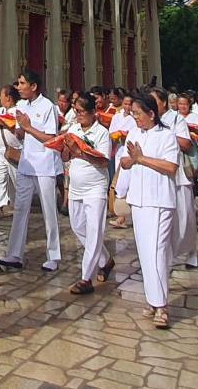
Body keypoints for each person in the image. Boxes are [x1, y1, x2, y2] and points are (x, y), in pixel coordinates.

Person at [121, 91, 180, 328]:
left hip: (159, 200)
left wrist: (141, 159)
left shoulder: (167, 136)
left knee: (157, 251)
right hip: (139, 199)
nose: (134, 117)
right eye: (132, 114)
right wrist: (130, 160)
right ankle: (152, 300)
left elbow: (171, 167)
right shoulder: (134, 133)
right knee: (145, 253)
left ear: (151, 114)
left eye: (138, 113)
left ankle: (161, 305)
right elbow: (125, 161)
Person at [0, 69, 62, 272]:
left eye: (22, 83)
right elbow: (21, 134)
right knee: (20, 208)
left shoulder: (48, 106)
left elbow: (51, 138)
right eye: (18, 83)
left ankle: (53, 256)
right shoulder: (22, 106)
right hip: (26, 163)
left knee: (48, 211)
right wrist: (12, 127)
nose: (19, 87)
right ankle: (14, 254)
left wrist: (28, 127)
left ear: (33, 86)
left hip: (44, 164)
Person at [65, 92, 115, 295]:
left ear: (93, 112)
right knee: (78, 226)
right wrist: (65, 148)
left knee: (94, 231)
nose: (77, 115)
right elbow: (66, 155)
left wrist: (80, 152)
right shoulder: (73, 129)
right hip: (76, 187)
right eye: (75, 111)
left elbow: (103, 161)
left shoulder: (101, 133)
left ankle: (86, 278)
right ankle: (105, 260)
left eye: (81, 112)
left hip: (95, 188)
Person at [152, 86, 198, 270]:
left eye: (155, 101)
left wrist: (167, 134)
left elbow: (186, 143)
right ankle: (164, 256)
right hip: (157, 173)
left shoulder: (176, 118)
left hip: (178, 174)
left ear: (163, 102)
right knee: (163, 221)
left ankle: (191, 252)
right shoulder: (149, 119)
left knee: (185, 218)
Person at [0, 84, 20, 221]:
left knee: (16, 178)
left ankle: (18, 204)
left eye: (2, 95)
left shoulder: (18, 111)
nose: (0, 98)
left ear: (9, 97)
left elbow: (18, 129)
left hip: (13, 149)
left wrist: (4, 122)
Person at [108, 93, 138, 229]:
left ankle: (127, 215)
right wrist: (117, 135)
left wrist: (125, 135)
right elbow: (111, 132)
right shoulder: (116, 116)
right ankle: (122, 215)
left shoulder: (135, 118)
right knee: (120, 182)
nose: (127, 107)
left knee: (130, 182)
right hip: (119, 150)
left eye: (129, 104)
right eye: (125, 104)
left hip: (131, 151)